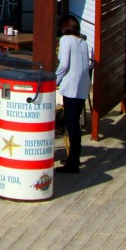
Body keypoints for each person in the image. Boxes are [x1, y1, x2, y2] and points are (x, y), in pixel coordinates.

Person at [55, 15, 91, 174]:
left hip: (71, 86)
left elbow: (64, 64)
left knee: (71, 124)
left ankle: (73, 163)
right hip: (83, 86)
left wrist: (54, 80)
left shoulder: (65, 40)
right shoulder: (83, 41)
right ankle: (73, 157)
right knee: (74, 123)